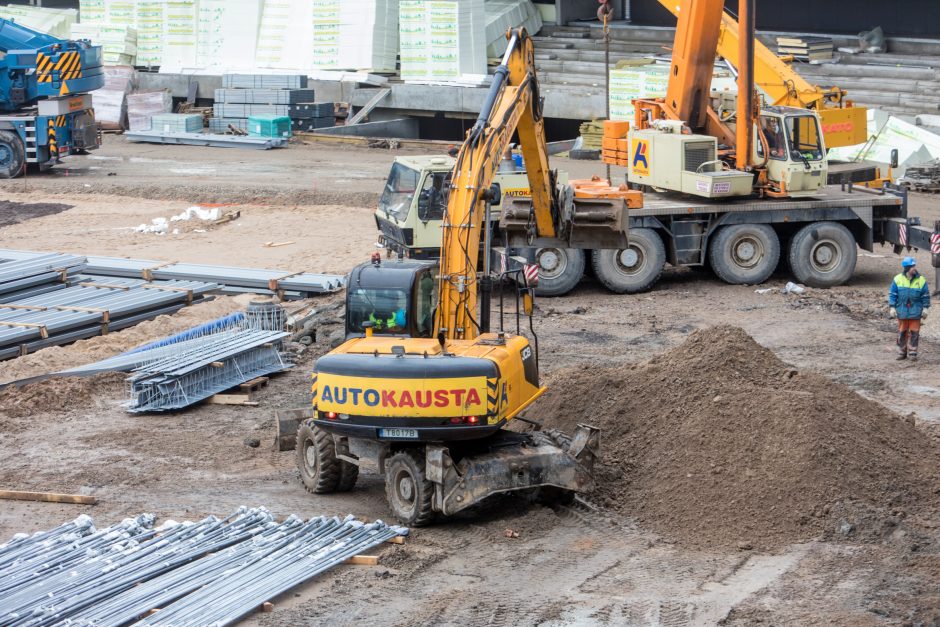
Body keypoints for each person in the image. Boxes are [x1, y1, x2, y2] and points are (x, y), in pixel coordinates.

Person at [888, 256, 930, 361]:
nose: (914, 268)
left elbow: (925, 296)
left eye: (914, 266)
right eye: (912, 266)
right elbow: (893, 294)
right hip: (902, 311)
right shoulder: (897, 279)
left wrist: (925, 308)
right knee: (902, 332)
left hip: (915, 311)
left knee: (914, 332)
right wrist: (892, 307)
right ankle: (902, 352)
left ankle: (913, 352)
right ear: (906, 268)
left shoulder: (921, 280)